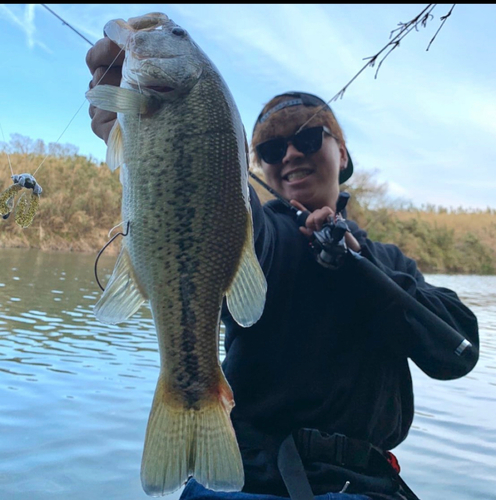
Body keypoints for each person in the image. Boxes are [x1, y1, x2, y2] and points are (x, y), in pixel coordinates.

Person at [86, 35, 479, 500]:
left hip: (365, 484)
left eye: (308, 138)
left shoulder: (391, 262)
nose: (290, 154)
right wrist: (170, 132)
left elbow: (459, 349)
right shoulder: (263, 232)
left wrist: (358, 260)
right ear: (255, 165)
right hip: (245, 476)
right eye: (271, 150)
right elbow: (231, 213)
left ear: (343, 154)